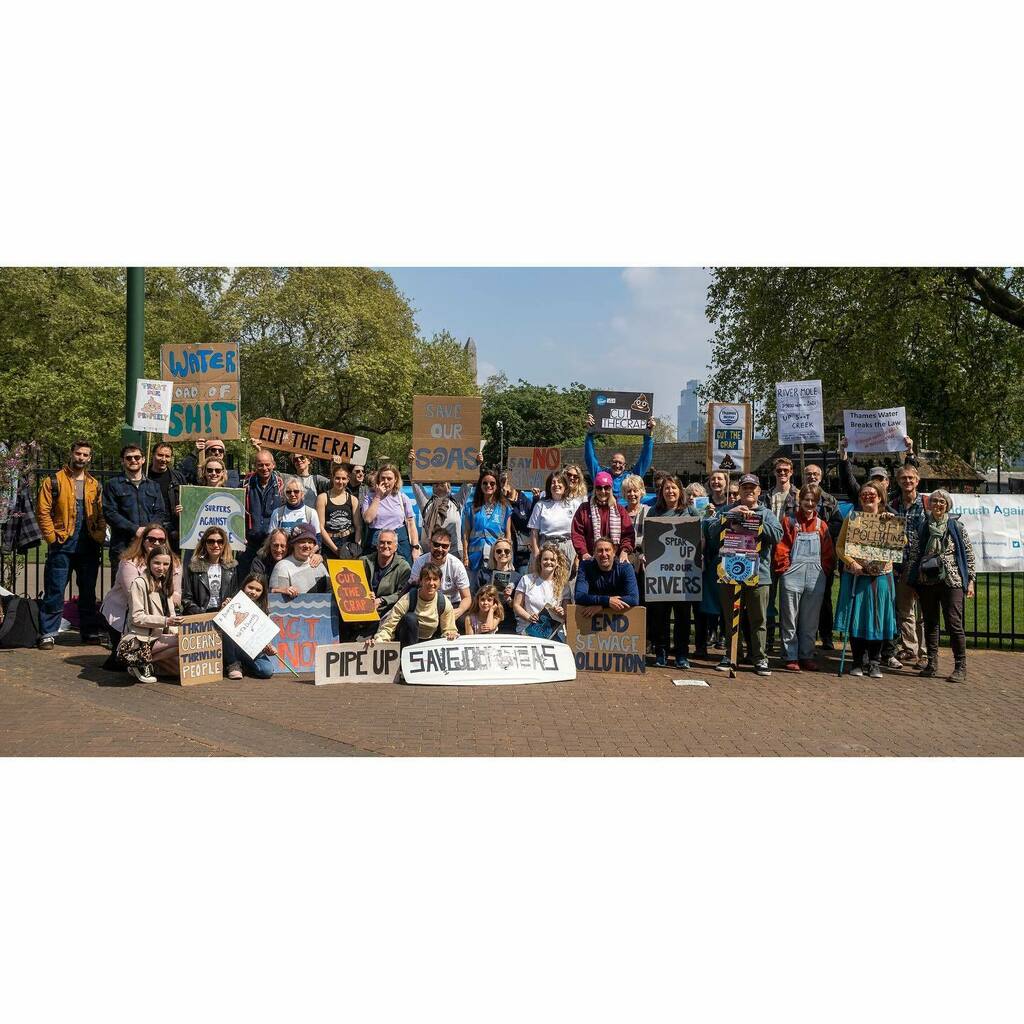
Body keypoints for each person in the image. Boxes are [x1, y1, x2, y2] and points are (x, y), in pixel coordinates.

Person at [708, 474, 783, 677]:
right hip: (730, 572)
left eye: (753, 488)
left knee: (758, 619)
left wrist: (756, 522)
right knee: (731, 616)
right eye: (745, 488)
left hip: (759, 575)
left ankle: (760, 658)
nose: (749, 491)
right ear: (739, 491)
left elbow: (777, 535)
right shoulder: (728, 510)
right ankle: (732, 655)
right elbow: (711, 531)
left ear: (759, 491)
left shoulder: (766, 513)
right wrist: (730, 515)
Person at [35, 439, 107, 648]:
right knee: (55, 589)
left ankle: (89, 631)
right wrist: (51, 537)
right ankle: (48, 632)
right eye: (78, 453)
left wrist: (100, 535)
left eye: (85, 455)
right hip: (62, 545)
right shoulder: (54, 481)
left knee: (87, 592)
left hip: (89, 545)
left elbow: (101, 514)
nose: (81, 458)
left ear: (89, 458)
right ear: (71, 453)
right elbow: (43, 512)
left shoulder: (94, 484)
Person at [907, 489, 976, 682]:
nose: (937, 505)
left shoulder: (956, 527)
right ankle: (932, 663)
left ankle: (960, 666)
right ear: (929, 505)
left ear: (947, 505)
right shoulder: (922, 527)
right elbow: (914, 554)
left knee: (954, 623)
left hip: (952, 581)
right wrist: (912, 581)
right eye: (934, 501)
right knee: (930, 623)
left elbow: (968, 555)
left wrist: (970, 579)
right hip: (927, 581)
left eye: (941, 502)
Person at [834, 481, 898, 678]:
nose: (868, 498)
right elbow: (839, 546)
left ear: (880, 497)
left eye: (872, 494)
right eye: (864, 495)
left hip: (880, 577)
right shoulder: (852, 519)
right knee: (857, 618)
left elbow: (901, 543)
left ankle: (875, 661)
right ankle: (857, 661)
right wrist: (851, 563)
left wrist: (893, 524)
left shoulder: (889, 519)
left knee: (877, 619)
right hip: (857, 576)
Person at [100, 523, 182, 668]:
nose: (156, 543)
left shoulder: (174, 563)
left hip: (158, 618)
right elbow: (135, 597)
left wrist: (173, 597)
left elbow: (176, 595)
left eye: (161, 540)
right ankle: (134, 658)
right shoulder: (129, 563)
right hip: (124, 615)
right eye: (151, 539)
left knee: (177, 664)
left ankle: (142, 660)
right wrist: (165, 619)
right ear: (143, 540)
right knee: (181, 642)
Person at [773, 484, 836, 671]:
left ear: (817, 504)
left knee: (810, 620)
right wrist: (785, 569)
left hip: (816, 576)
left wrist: (824, 570)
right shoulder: (789, 521)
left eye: (813, 501)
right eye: (806, 500)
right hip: (792, 574)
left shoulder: (821, 525)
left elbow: (828, 553)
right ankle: (790, 655)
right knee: (790, 618)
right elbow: (781, 548)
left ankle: (806, 655)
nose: (809, 504)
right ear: (799, 501)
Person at [647, 475, 702, 668]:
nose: (670, 491)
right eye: (666, 488)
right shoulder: (654, 511)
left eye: (674, 488)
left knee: (683, 617)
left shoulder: (690, 511)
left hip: (684, 574)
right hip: (660, 574)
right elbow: (650, 540)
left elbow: (700, 539)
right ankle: (661, 653)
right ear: (662, 492)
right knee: (659, 616)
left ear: (681, 491)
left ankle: (681, 655)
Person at [116, 543, 182, 683]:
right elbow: (137, 617)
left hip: (159, 637)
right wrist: (166, 621)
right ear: (149, 562)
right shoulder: (139, 583)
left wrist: (176, 629)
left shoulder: (165, 583)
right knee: (182, 642)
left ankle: (146, 662)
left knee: (180, 663)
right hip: (142, 639)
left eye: (165, 564)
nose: (161, 567)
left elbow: (171, 614)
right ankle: (138, 661)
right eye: (156, 563)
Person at [365, 562, 457, 652]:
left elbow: (449, 629)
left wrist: (451, 634)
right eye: (427, 579)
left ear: (440, 582)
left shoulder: (443, 602)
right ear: (421, 581)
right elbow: (389, 625)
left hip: (430, 644)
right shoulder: (408, 599)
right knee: (410, 618)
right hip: (407, 642)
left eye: (435, 579)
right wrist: (378, 642)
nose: (431, 583)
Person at [102, 443, 169, 565]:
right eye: (129, 458)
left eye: (137, 457)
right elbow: (110, 513)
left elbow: (160, 512)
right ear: (122, 461)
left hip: (149, 547)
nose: (133, 460)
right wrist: (135, 529)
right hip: (123, 546)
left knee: (148, 583)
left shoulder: (153, 486)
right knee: (122, 583)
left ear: (143, 460)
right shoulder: (112, 485)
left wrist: (149, 531)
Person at [890, 463, 929, 668]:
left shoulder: (927, 503)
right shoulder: (893, 504)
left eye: (910, 478)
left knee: (924, 612)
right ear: (898, 481)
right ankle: (909, 649)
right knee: (905, 611)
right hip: (902, 565)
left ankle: (925, 653)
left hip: (923, 566)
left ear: (917, 480)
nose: (907, 482)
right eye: (903, 478)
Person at [802, 463, 843, 649]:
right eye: (809, 474)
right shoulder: (797, 496)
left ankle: (826, 636)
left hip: (823, 555)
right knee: (802, 598)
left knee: (824, 598)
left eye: (815, 474)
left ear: (821, 476)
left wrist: (819, 528)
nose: (812, 477)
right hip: (801, 557)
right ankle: (804, 636)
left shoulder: (830, 500)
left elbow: (838, 524)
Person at [584, 413, 656, 503]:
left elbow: (645, 459)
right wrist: (590, 433)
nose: (617, 465)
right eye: (614, 462)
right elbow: (590, 458)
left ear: (625, 465)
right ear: (610, 463)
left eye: (620, 463)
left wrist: (648, 434)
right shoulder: (601, 475)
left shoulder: (631, 477)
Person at [408, 452, 468, 559]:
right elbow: (415, 482)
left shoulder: (457, 501)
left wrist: (476, 463)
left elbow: (468, 482)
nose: (439, 484)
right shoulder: (426, 502)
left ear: (449, 487)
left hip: (453, 553)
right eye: (435, 483)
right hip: (430, 553)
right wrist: (411, 464)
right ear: (432, 487)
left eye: (443, 483)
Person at [462, 467, 512, 587]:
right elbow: (466, 534)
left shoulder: (505, 507)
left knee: (495, 589)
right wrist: (465, 556)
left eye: (492, 483)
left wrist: (509, 557)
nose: (488, 486)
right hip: (475, 557)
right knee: (475, 589)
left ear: (497, 486)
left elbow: (508, 534)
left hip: (497, 556)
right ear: (480, 485)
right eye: (485, 483)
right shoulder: (471, 507)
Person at [409, 527, 472, 623]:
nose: (440, 549)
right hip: (426, 603)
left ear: (450, 546)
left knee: (466, 621)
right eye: (436, 544)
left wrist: (458, 611)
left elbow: (467, 597)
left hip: (452, 604)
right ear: (430, 543)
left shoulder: (456, 565)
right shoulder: (420, 562)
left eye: (444, 546)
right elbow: (412, 588)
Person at [361, 461, 419, 564]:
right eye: (383, 478)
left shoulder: (402, 497)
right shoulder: (369, 497)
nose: (386, 481)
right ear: (378, 479)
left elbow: (410, 523)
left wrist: (415, 547)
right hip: (377, 541)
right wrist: (378, 496)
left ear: (395, 480)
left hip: (400, 541)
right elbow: (367, 519)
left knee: (404, 574)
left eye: (389, 478)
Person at [570, 471, 635, 561]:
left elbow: (628, 534)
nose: (603, 491)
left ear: (611, 489)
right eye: (599, 488)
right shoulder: (584, 509)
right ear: (594, 489)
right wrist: (583, 553)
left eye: (606, 488)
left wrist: (624, 551)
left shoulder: (620, 510)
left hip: (615, 559)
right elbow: (577, 534)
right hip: (591, 559)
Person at [241, 449, 285, 576]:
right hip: (249, 542)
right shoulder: (245, 484)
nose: (264, 468)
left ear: (273, 465)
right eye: (260, 464)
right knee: (246, 578)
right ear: (255, 465)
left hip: (272, 544)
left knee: (271, 578)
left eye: (267, 464)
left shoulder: (281, 484)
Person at [527, 470, 578, 577]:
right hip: (545, 547)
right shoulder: (540, 505)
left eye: (559, 482)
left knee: (564, 586)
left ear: (565, 485)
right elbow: (534, 532)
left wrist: (577, 556)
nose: (556, 485)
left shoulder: (574, 504)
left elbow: (579, 531)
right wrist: (536, 553)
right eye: (553, 482)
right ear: (549, 486)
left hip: (567, 547)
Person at [513, 544, 571, 637]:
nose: (549, 562)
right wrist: (529, 617)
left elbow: (567, 613)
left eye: (552, 560)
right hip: (528, 630)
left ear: (557, 563)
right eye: (545, 559)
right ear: (540, 561)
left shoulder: (564, 585)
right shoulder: (526, 579)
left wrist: (562, 612)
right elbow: (516, 605)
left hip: (552, 633)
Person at [574, 536, 640, 614]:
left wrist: (602, 605)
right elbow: (579, 596)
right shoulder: (585, 567)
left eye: (607, 550)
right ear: (594, 553)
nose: (604, 554)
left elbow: (633, 598)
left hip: (619, 618)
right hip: (591, 619)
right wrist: (608, 601)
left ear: (614, 552)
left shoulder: (625, 568)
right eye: (600, 551)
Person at [181, 525, 239, 614]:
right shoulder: (193, 567)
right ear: (205, 544)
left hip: (223, 616)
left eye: (220, 541)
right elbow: (187, 599)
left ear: (224, 545)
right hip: (200, 619)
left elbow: (235, 595)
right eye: (211, 541)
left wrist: (229, 603)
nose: (215, 545)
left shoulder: (231, 568)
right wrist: (202, 614)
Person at [229, 573, 278, 678]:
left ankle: (244, 666)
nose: (253, 592)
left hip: (252, 651)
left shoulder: (264, 611)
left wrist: (268, 648)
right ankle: (233, 664)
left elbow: (264, 638)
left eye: (258, 590)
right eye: (250, 587)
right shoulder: (233, 603)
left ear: (262, 592)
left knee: (267, 670)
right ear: (244, 586)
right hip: (233, 649)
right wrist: (224, 608)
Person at [269, 523, 330, 597]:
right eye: (302, 542)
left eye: (310, 542)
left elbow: (329, 591)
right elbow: (275, 598)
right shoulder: (282, 567)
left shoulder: (318, 564)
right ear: (293, 544)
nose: (307, 545)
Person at [361, 529, 412, 617]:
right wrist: (365, 594)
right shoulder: (363, 561)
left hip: (387, 610)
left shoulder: (403, 567)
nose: (385, 546)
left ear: (395, 547)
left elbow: (402, 593)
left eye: (389, 543)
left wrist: (382, 600)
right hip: (363, 607)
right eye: (382, 542)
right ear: (377, 545)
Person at [476, 538, 522, 633]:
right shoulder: (483, 573)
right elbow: (475, 598)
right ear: (493, 553)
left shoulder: (517, 577)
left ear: (511, 554)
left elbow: (518, 606)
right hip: (484, 618)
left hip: (507, 620)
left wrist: (508, 598)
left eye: (507, 551)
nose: (503, 553)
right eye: (499, 551)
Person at [317, 464, 363, 559]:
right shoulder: (322, 498)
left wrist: (356, 546)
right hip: (329, 543)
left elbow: (358, 526)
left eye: (343, 478)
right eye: (337, 478)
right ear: (332, 478)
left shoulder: (353, 500)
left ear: (348, 479)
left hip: (349, 542)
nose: (340, 481)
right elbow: (320, 527)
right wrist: (336, 550)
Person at [147, 442, 186, 551]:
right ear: (152, 455)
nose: (163, 459)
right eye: (160, 455)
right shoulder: (143, 476)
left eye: (167, 456)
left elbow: (186, 502)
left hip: (173, 533)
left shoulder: (178, 478)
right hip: (151, 531)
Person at [501, 471, 537, 572]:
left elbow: (529, 522)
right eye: (502, 482)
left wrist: (536, 499)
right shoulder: (500, 500)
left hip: (522, 551)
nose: (505, 485)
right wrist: (504, 499)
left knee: (521, 579)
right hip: (505, 549)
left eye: (508, 482)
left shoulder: (524, 500)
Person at [620, 473, 649, 596]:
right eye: (628, 491)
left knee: (643, 596)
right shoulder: (620, 512)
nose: (632, 494)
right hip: (624, 559)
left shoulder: (649, 511)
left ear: (641, 492)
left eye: (635, 491)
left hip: (644, 560)